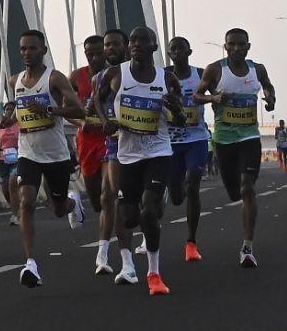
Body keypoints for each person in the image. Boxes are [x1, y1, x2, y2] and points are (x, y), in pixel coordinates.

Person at [95, 27, 186, 296]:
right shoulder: (115, 74)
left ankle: (153, 273)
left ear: (154, 48)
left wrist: (177, 110)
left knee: (148, 211)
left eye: (142, 41)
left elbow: (180, 120)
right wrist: (105, 121)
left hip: (158, 152)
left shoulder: (167, 79)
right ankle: (129, 262)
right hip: (127, 155)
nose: (135, 45)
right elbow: (96, 100)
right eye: (132, 41)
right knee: (130, 217)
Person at [6, 29, 86, 288]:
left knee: (58, 209)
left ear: (43, 51)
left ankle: (73, 203)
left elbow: (79, 109)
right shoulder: (14, 81)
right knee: (26, 202)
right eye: (23, 49)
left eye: (32, 48)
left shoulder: (54, 79)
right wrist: (9, 120)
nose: (27, 53)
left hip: (55, 155)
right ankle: (31, 264)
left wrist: (51, 109)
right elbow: (19, 112)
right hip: (28, 152)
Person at [194, 27, 276, 268]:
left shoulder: (256, 69)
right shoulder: (215, 69)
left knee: (247, 186)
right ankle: (242, 216)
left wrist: (270, 99)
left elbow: (269, 86)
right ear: (226, 46)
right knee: (234, 192)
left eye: (242, 44)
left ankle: (247, 246)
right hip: (224, 139)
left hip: (249, 136)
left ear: (248, 47)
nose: (237, 48)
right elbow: (197, 96)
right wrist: (212, 98)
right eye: (232, 44)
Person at [90, 29, 134, 276]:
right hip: (116, 145)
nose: (110, 48)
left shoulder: (143, 73)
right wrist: (104, 118)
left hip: (146, 146)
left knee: (139, 205)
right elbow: (93, 102)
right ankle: (121, 259)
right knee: (113, 197)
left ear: (127, 46)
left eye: (116, 44)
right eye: (107, 44)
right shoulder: (101, 77)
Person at [164, 37, 210, 263]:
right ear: (169, 53)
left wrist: (216, 98)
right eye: (173, 49)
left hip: (197, 139)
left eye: (181, 49)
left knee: (193, 183)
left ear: (189, 51)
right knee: (176, 196)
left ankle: (191, 243)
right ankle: (174, 188)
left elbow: (214, 92)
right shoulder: (161, 75)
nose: (177, 53)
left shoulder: (200, 74)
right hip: (170, 142)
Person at [69, 35, 109, 224]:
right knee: (95, 201)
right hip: (87, 140)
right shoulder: (77, 76)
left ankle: (111, 239)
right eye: (89, 54)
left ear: (105, 52)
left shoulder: (116, 73)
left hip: (112, 138)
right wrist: (80, 123)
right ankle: (75, 203)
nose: (94, 58)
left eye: (98, 53)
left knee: (110, 191)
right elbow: (65, 108)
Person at [0, 102, 21, 226]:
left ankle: (15, 215)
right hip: (3, 159)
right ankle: (16, 208)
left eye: (12, 110)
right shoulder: (0, 125)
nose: (9, 112)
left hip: (18, 158)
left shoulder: (20, 124)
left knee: (13, 184)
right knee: (5, 189)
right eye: (7, 109)